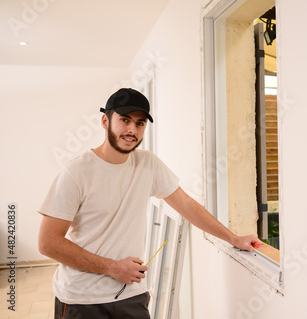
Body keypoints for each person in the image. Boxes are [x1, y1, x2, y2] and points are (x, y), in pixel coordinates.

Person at [38, 88, 262, 319]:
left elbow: (187, 206)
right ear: (105, 121)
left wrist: (233, 238)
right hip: (82, 300)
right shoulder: (77, 172)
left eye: (140, 123)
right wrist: (112, 267)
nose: (132, 130)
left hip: (131, 295)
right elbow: (48, 243)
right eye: (125, 120)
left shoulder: (148, 164)